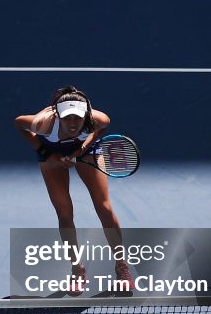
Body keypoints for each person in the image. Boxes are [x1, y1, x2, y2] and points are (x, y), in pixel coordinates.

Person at [15, 86, 134, 295]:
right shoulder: (43, 123)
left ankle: (121, 265)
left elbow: (102, 128)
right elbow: (19, 123)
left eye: (77, 118)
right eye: (67, 118)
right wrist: (46, 153)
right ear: (58, 115)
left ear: (85, 115)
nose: (72, 123)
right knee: (64, 213)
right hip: (51, 151)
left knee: (104, 207)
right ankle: (77, 269)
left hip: (85, 149)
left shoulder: (97, 119)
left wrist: (81, 149)